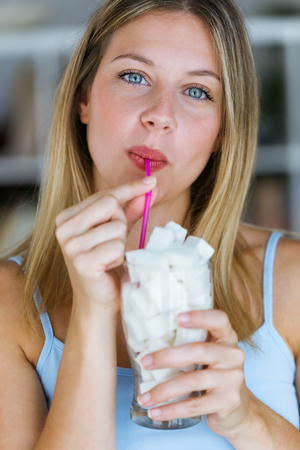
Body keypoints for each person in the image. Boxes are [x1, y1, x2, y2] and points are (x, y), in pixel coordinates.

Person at [0, 0, 300, 448]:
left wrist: (248, 418)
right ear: (83, 98)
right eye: (134, 76)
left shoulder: (291, 281)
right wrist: (93, 313)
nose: (160, 114)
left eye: (198, 91)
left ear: (222, 132)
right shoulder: (10, 300)